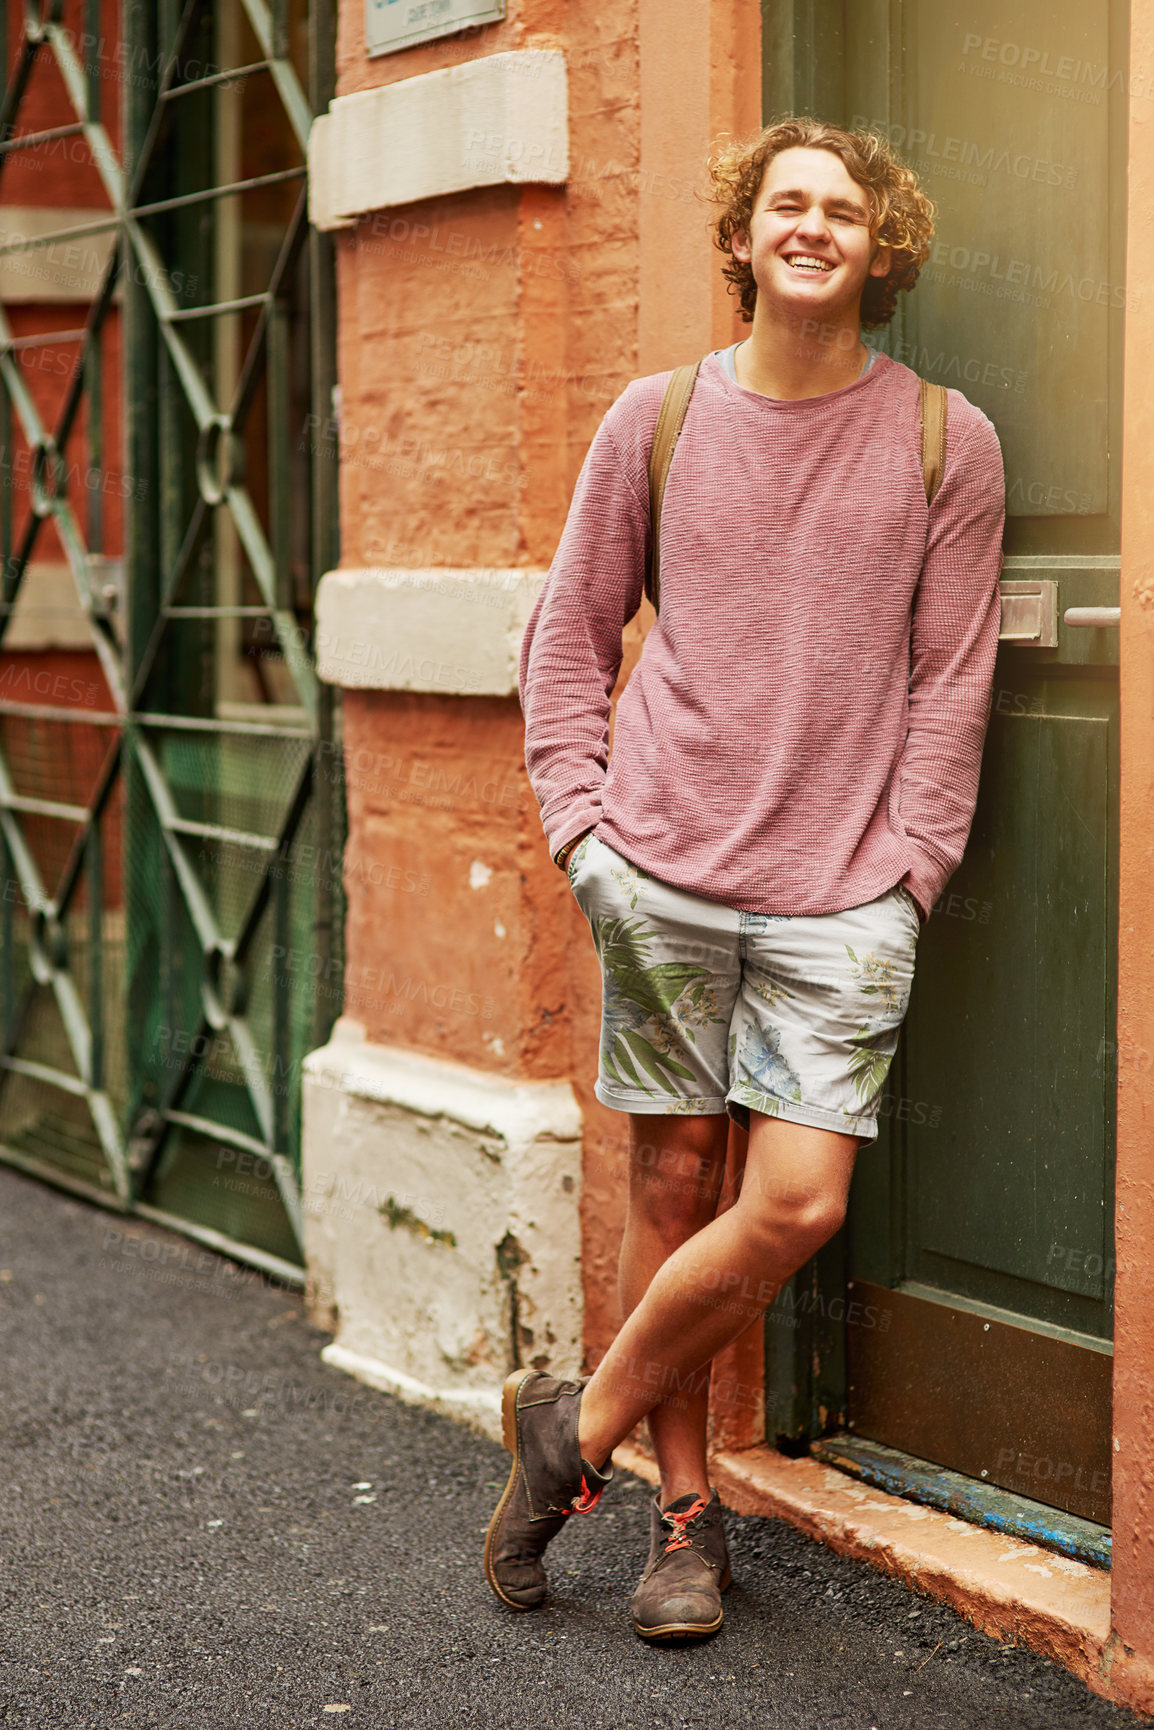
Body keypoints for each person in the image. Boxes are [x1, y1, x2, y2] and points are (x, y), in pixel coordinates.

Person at [485, 116, 1006, 1642]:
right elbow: (570, 634)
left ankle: (567, 1434)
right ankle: (681, 1525)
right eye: (784, 202)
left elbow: (950, 681)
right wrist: (582, 831)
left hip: (845, 890)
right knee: (668, 1182)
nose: (810, 225)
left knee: (792, 1198)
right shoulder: (652, 420)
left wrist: (911, 867)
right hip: (655, 865)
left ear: (878, 245)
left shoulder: (941, 438)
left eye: (841, 209)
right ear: (741, 235)